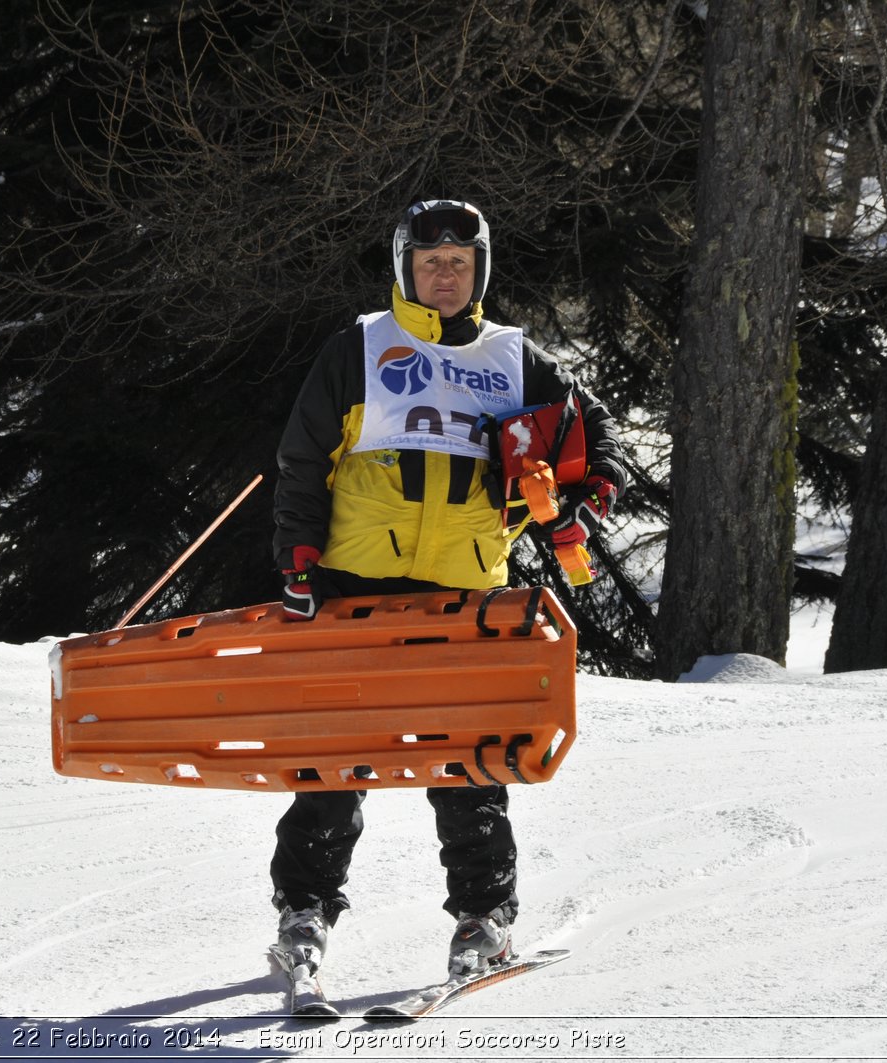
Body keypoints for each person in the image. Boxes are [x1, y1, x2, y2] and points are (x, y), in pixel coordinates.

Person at [269, 199, 628, 978]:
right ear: (406, 267)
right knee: (336, 756)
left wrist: (592, 489)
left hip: (468, 587)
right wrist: (297, 558)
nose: (444, 274)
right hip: (357, 577)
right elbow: (303, 458)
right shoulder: (361, 344)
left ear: (479, 271)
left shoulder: (514, 356)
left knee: (469, 760)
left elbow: (596, 432)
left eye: (459, 263)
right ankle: (303, 909)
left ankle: (483, 916)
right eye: (430, 262)